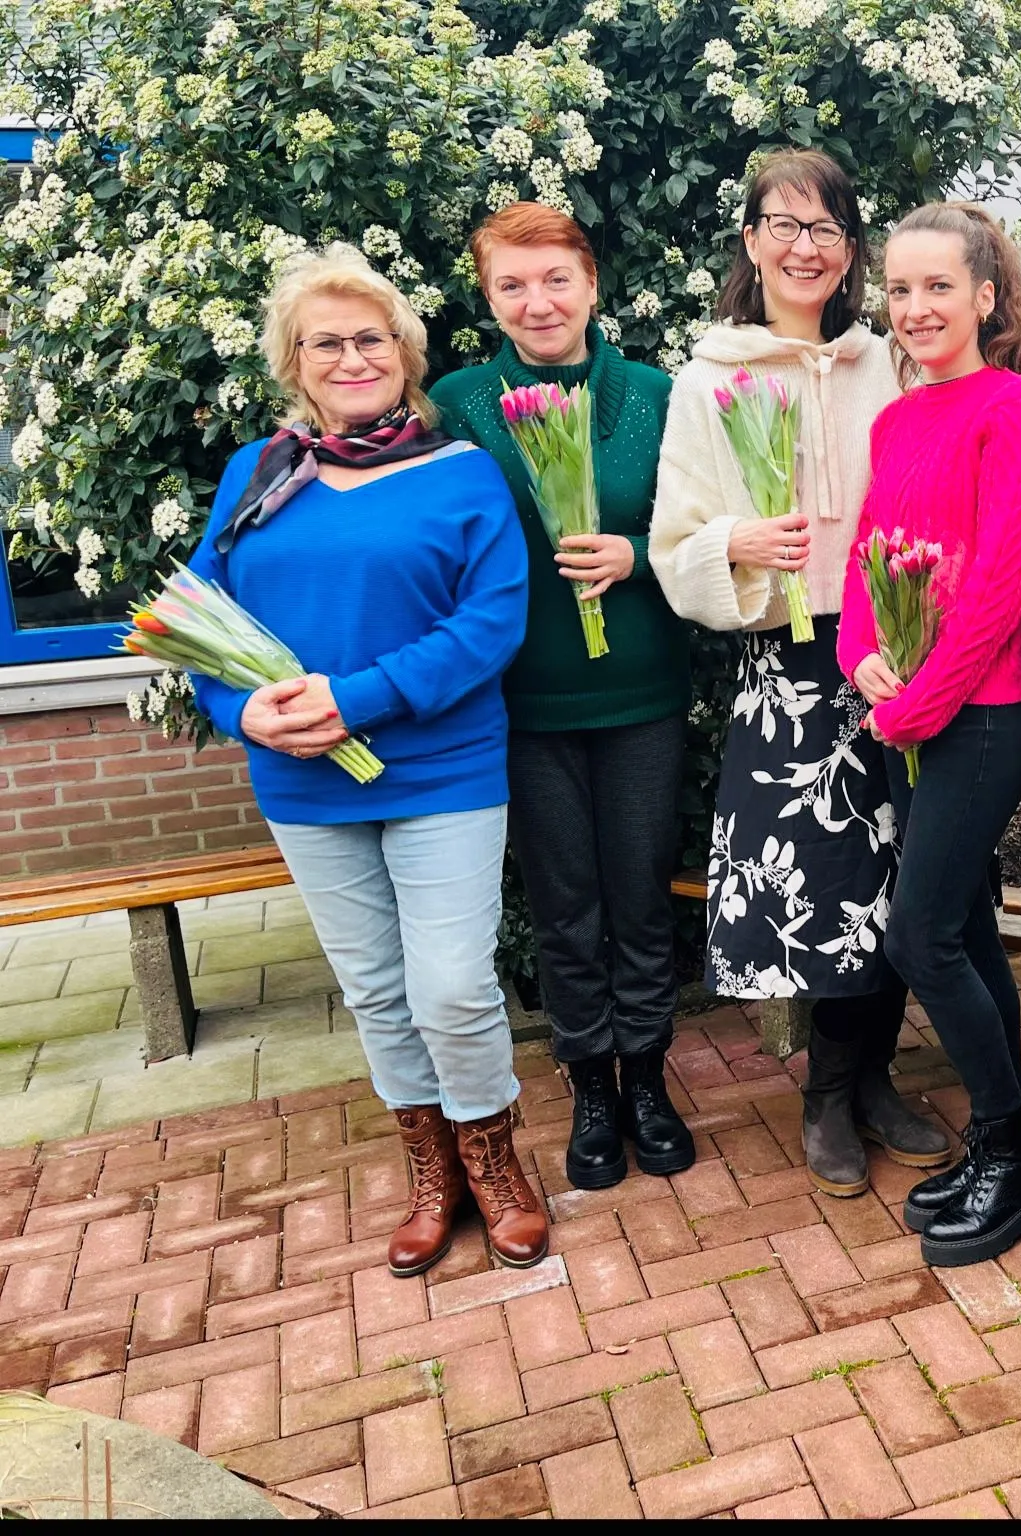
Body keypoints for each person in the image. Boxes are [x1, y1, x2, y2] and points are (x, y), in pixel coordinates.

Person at [186, 246, 540, 1275]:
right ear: (295, 364)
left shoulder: (461, 472)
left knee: (452, 988)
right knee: (377, 991)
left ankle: (493, 1160)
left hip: (443, 769)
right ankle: (433, 1170)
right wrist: (240, 708)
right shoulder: (259, 473)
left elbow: (491, 623)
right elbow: (196, 621)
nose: (351, 357)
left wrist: (357, 697)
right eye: (325, 342)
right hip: (300, 777)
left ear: (405, 354)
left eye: (370, 338)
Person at [649, 150, 949, 1197]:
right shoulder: (710, 379)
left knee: (901, 878)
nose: (802, 246)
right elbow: (671, 538)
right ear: (748, 241)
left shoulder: (887, 364)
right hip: (788, 656)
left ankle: (871, 1078)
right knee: (820, 885)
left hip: (898, 651)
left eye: (824, 229)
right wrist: (737, 539)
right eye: (782, 224)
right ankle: (826, 1096)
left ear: (850, 249)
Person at [430, 204, 696, 1191]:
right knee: (563, 907)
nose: (536, 301)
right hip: (522, 703)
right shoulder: (459, 405)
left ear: (591, 284)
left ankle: (648, 1081)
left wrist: (638, 558)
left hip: (641, 696)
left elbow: (711, 537)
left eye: (555, 279)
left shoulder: (657, 396)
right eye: (512, 285)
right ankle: (590, 1083)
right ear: (488, 298)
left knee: (638, 894)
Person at [837, 202, 1021, 1267]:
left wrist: (912, 705)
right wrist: (857, 654)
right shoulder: (894, 418)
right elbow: (866, 554)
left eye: (937, 287)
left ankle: (1017, 1157)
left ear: (982, 296)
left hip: (983, 712)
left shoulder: (1015, 408)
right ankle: (996, 1142)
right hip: (908, 710)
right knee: (963, 929)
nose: (916, 308)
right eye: (899, 289)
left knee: (918, 934)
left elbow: (1005, 586)